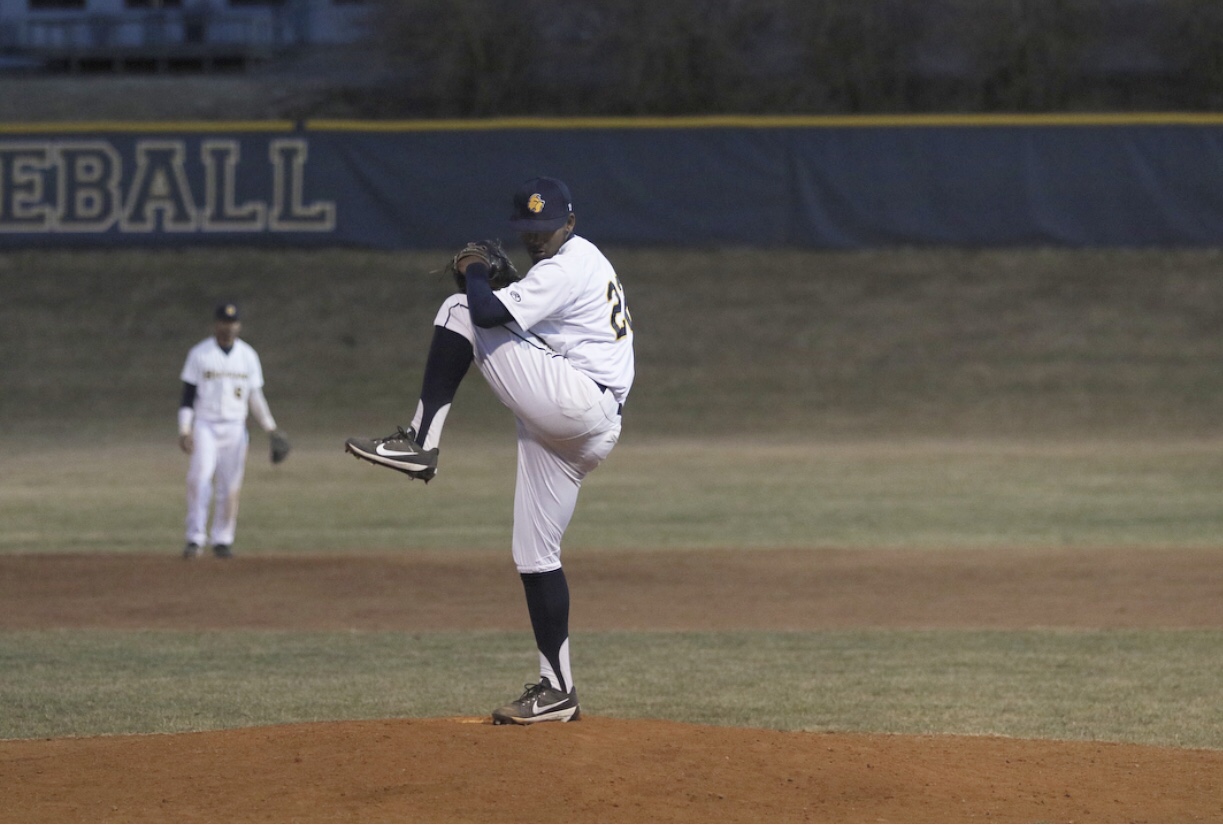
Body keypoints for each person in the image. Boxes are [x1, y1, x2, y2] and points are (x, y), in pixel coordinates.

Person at [345, 176, 634, 725]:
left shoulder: (570, 262)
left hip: (577, 403)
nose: (537, 239)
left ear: (569, 225)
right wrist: (499, 281)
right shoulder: (575, 267)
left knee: (458, 309)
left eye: (546, 229)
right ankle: (558, 691)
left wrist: (474, 269)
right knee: (535, 555)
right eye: (529, 230)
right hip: (581, 424)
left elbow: (485, 314)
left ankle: (421, 441)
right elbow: (527, 319)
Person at [178, 302, 284, 559]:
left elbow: (255, 397)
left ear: (239, 325)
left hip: (236, 427)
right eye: (224, 322)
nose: (228, 326)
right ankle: (195, 538)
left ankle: (223, 540)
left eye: (233, 322)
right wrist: (184, 429)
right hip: (205, 425)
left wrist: (271, 428)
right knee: (199, 478)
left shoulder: (248, 356)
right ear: (216, 324)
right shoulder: (200, 354)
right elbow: (187, 396)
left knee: (230, 485)